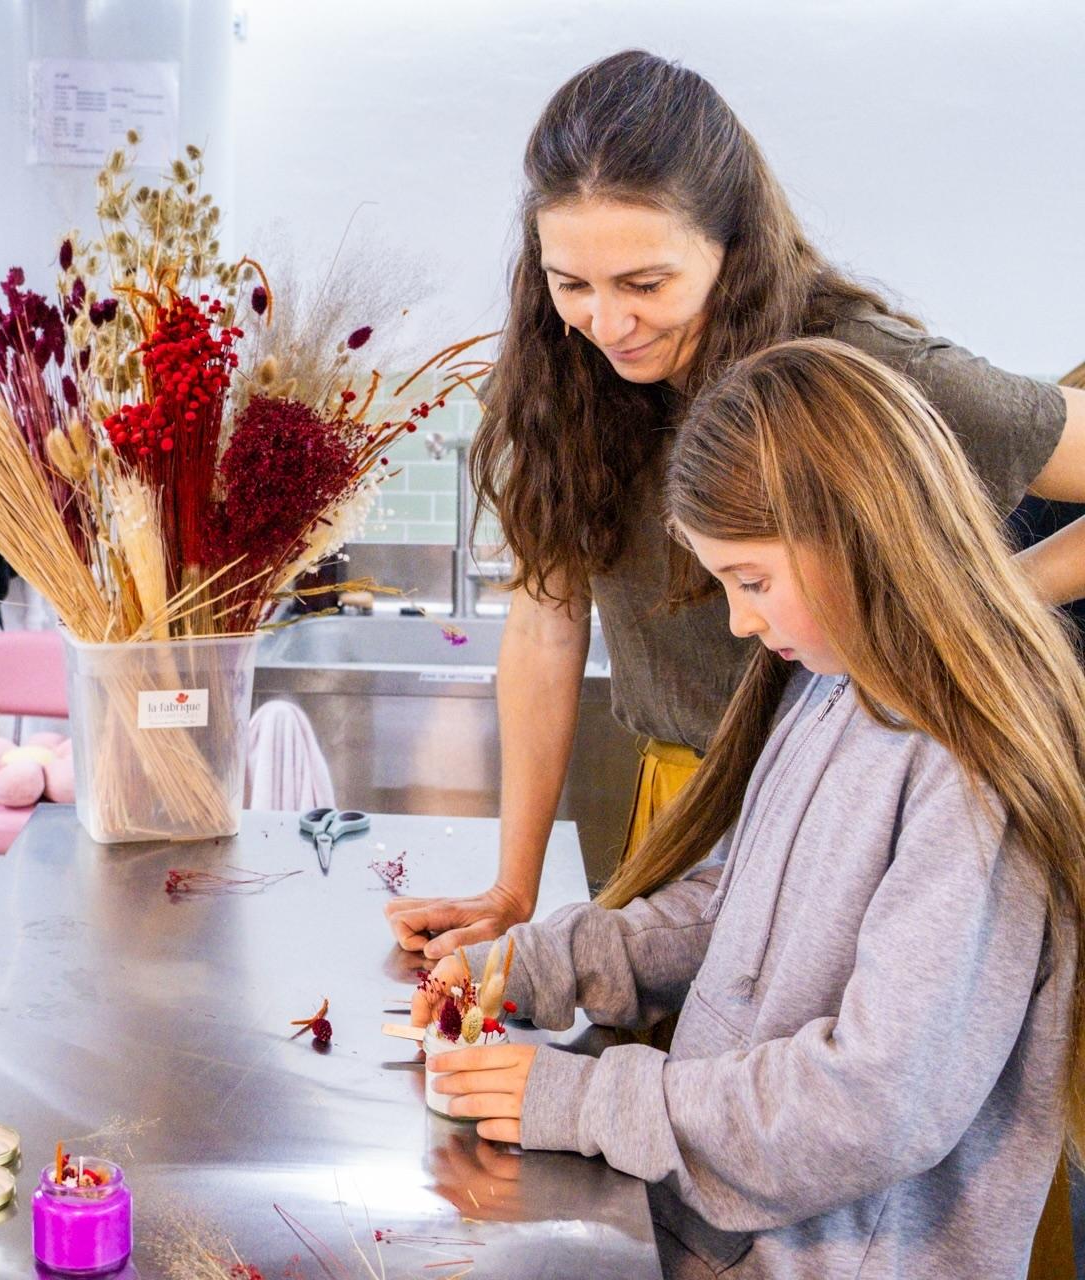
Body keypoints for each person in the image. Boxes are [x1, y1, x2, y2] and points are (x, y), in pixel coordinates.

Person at [386, 50, 1085, 963]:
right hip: (676, 817)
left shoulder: (862, 367)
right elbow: (546, 628)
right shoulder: (560, 379)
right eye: (572, 285)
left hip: (852, 823)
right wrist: (514, 888)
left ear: (733, 245)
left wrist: (988, 597)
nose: (608, 323)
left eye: (646, 284)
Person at [415, 338, 1085, 1279]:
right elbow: (739, 909)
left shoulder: (971, 764)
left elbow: (878, 1101)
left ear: (856, 529)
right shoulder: (832, 681)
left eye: (752, 582)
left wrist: (588, 1101)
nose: (738, 621)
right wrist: (534, 963)